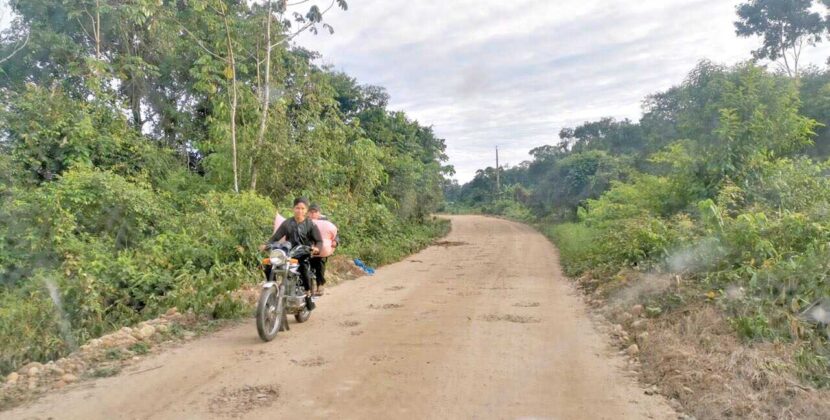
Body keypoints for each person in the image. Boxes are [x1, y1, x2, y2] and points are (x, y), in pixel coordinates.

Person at [262, 197, 322, 298]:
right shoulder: (287, 223)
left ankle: (307, 292)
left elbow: (319, 241)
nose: (300, 211)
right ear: (293, 209)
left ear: (306, 210)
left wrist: (317, 248)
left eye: (303, 208)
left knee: (303, 266)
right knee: (269, 264)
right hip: (288, 252)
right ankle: (273, 289)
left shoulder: (310, 224)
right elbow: (275, 237)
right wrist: (266, 244)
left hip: (303, 252)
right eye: (297, 208)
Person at [308, 203, 338, 296]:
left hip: (320, 249)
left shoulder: (326, 222)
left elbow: (335, 233)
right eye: (311, 212)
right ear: (308, 213)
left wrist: (335, 241)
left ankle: (320, 285)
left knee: (320, 264)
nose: (313, 214)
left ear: (319, 213)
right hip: (308, 247)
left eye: (315, 212)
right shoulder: (305, 221)